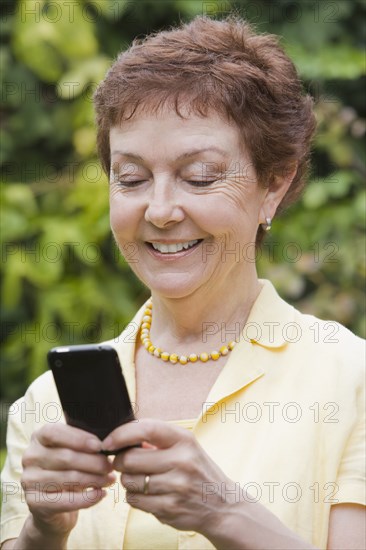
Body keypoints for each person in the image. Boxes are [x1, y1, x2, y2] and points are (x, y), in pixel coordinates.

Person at [1, 15, 365, 550]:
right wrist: (43, 530)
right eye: (132, 179)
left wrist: (224, 512)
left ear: (273, 184)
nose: (162, 210)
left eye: (200, 177)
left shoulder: (350, 380)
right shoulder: (48, 404)